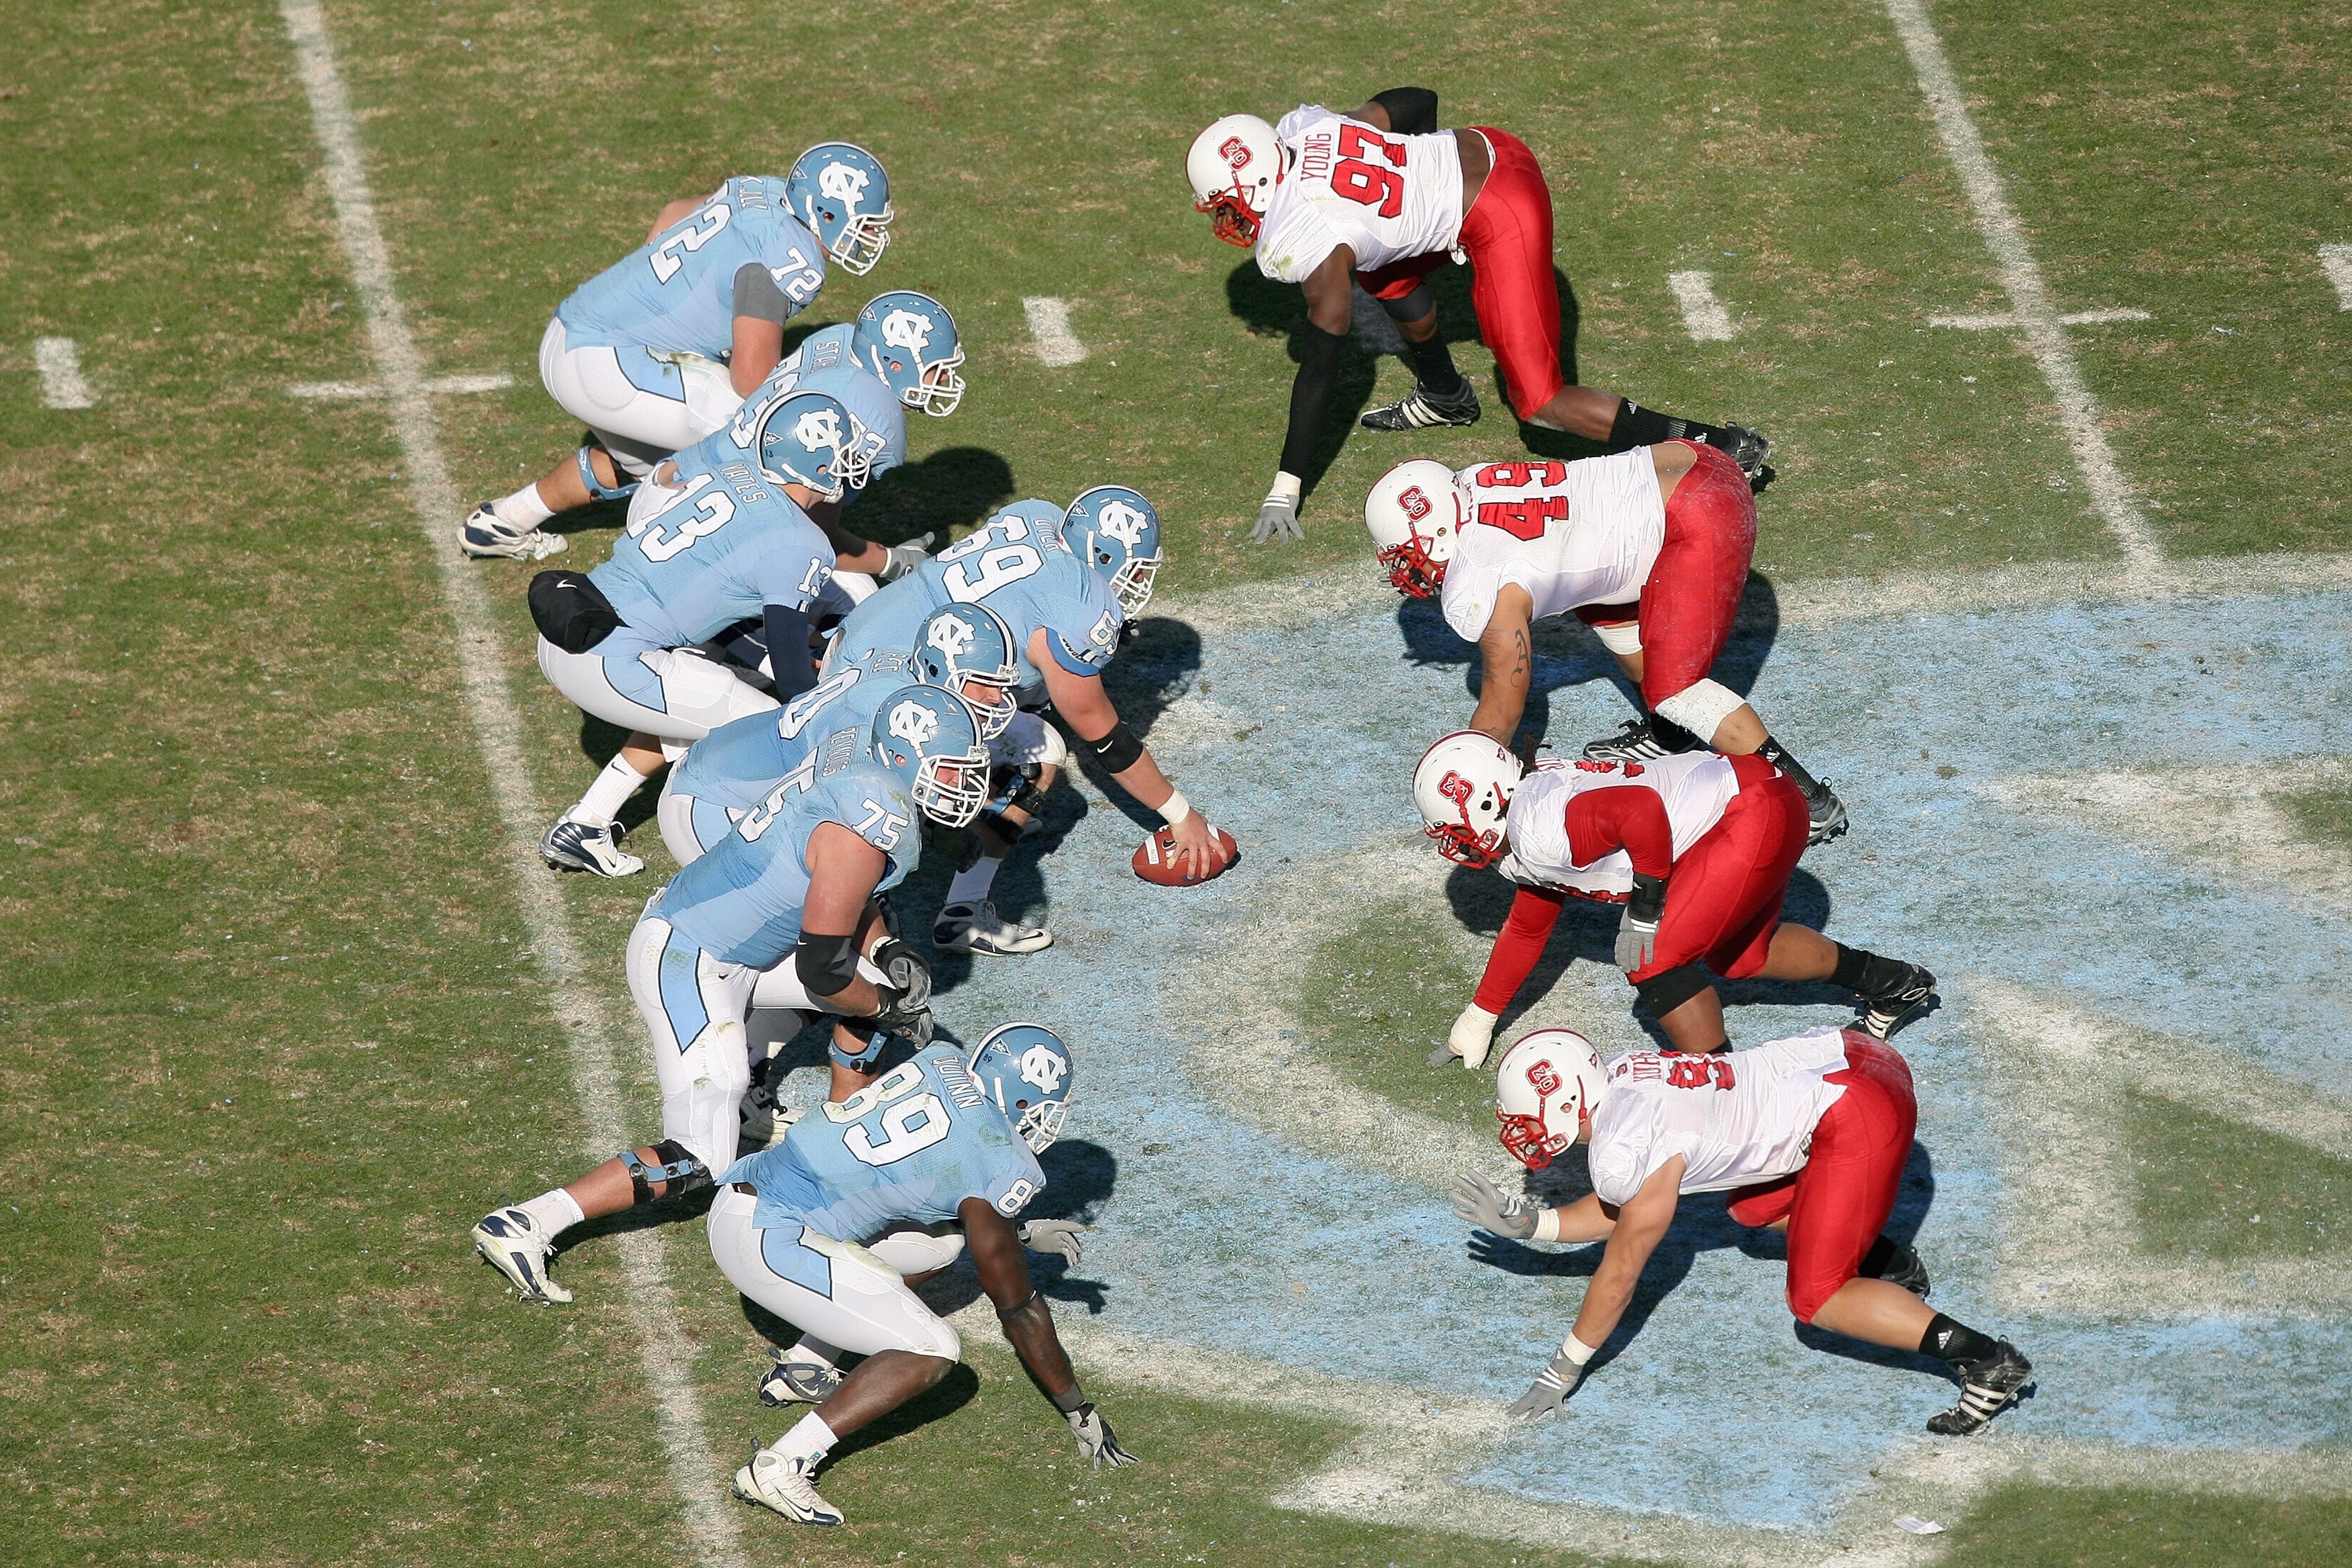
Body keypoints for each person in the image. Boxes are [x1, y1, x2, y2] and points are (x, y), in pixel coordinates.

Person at [470, 686, 987, 1306]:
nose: (967, 784)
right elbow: (824, 969)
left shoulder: (866, 782)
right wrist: (882, 1008)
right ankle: (530, 1220)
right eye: (954, 769)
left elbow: (857, 900)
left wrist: (884, 953)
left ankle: (832, 1121)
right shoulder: (866, 821)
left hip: (729, 947)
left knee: (881, 986)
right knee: (701, 1157)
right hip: (691, 959)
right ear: (906, 759)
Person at [1185, 92, 1767, 542]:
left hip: (1501, 208)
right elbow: (1417, 98)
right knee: (1385, 272)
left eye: (1229, 205)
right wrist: (1418, 175)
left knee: (1543, 406)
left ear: (1257, 184)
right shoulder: (1308, 127)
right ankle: (1445, 394)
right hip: (1489, 145)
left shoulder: (1306, 237)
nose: (1229, 220)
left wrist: (1286, 487)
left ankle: (1722, 446)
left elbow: (1321, 368)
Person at [1453, 1027, 2035, 1438]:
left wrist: (1563, 1368)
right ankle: (1885, 1262)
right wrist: (1534, 1223)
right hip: (1849, 1052)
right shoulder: (1624, 1075)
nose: (1523, 1133)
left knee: (1817, 1299)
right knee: (1751, 1210)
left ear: (1567, 1102)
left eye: (1528, 1116)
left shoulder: (1624, 1148)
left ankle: (1988, 1361)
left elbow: (1622, 1268)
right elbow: (1622, 1210)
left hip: (1855, 1107)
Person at [713, 1023, 1136, 1526]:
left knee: (944, 1244)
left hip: (747, 1196)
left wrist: (1013, 1231)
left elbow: (925, 1170)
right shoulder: (999, 1160)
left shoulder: (942, 1059)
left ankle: (805, 1366)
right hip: (768, 1241)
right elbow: (1017, 1306)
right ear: (1025, 1101)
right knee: (933, 1348)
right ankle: (782, 1464)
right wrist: (1076, 1407)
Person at [1365, 444, 1846, 842]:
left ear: (1440, 534)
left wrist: (1473, 777)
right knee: (1596, 601)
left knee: (1674, 688)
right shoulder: (1468, 482)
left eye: (1406, 555)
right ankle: (1670, 736)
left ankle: (1808, 800)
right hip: (1695, 463)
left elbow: (1503, 702)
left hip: (1696, 514)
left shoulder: (1479, 576)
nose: (1406, 570)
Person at [830, 493, 1222, 955]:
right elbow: (1103, 735)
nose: (1135, 581)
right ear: (1103, 554)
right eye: (1133, 568)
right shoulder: (1074, 604)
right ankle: (962, 912)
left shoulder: (1038, 517)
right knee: (1039, 753)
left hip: (856, 646)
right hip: (887, 698)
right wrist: (1183, 816)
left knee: (1023, 684)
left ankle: (971, 804)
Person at [461, 146, 893, 560]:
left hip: (574, 331)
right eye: (867, 223)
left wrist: (663, 303)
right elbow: (751, 378)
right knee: (764, 446)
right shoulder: (789, 256)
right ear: (826, 213)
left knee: (648, 463)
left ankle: (502, 521)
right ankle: (699, 576)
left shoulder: (766, 191)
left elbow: (673, 213)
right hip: (608, 362)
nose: (873, 234)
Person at [1412, 731, 1930, 1067]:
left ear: (1485, 799)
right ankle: (1896, 984)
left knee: (1651, 956)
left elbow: (1639, 812)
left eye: (1450, 825)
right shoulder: (1526, 828)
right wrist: (1480, 1016)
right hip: (1748, 802)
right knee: (1742, 955)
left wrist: (1644, 908)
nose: (1452, 840)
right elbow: (1529, 925)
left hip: (1750, 809)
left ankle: (1723, 1091)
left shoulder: (1539, 831)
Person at [529, 389, 855, 877]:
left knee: (698, 700)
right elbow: (793, 680)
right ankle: (762, 857)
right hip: (616, 662)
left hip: (571, 625)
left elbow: (711, 601)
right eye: (844, 455)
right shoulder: (802, 542)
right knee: (787, 739)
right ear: (819, 465)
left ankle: (587, 825)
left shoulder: (731, 476)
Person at [659, 602, 1021, 866]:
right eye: (985, 684)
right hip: (714, 802)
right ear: (937, 668)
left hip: (733, 767)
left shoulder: (898, 664)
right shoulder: (878, 717)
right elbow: (832, 809)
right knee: (830, 895)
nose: (997, 698)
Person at [758, 289, 968, 614]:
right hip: (749, 525)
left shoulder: (842, 337)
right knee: (861, 599)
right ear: (895, 365)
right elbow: (815, 534)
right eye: (936, 369)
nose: (944, 378)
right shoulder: (871, 418)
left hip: (724, 470)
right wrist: (892, 561)